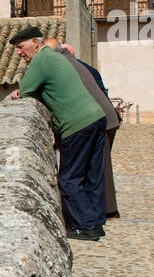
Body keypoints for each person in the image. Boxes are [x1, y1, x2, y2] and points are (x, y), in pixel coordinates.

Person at [6, 26, 106, 240]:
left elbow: (26, 88)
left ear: (36, 42)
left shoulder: (41, 60)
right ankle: (96, 223)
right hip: (95, 117)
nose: (19, 53)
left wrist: (19, 92)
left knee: (69, 178)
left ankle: (84, 226)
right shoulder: (52, 56)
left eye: (21, 47)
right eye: (17, 50)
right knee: (93, 175)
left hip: (76, 124)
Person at [45, 37, 120, 219]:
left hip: (99, 119)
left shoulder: (66, 66)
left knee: (98, 168)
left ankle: (104, 211)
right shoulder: (84, 67)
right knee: (98, 167)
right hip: (105, 117)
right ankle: (100, 211)